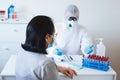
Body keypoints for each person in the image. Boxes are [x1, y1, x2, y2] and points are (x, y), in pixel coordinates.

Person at [15, 15, 77, 80]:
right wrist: (52, 68)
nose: (53, 38)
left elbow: (38, 68)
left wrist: (58, 68)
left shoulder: (22, 53)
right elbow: (45, 67)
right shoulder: (46, 64)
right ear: (47, 37)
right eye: (53, 35)